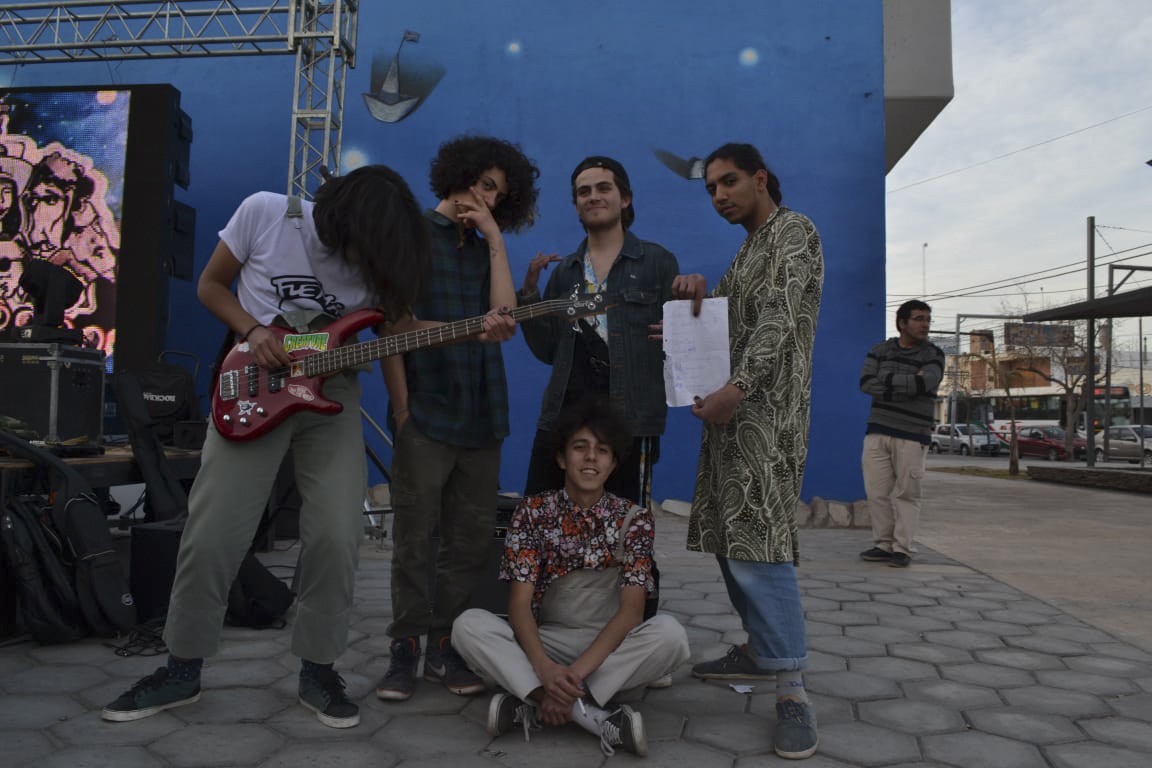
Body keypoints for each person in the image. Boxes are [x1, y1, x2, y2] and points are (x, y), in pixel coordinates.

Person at [101, 164, 468, 728]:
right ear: (346, 220)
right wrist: (253, 331)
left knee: (337, 536)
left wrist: (474, 330)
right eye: (365, 246)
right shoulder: (266, 213)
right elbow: (210, 285)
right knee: (213, 531)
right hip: (254, 386)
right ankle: (181, 668)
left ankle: (318, 669)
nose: (367, 260)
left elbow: (395, 332)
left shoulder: (381, 259)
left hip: (332, 396)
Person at [668, 143, 823, 760]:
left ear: (760, 178)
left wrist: (736, 389)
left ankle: (792, 689)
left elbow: (778, 320)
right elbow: (723, 328)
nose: (719, 196)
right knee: (731, 543)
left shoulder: (794, 232)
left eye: (728, 182)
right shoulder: (746, 251)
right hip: (731, 422)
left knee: (761, 549)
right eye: (710, 188)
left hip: (768, 420)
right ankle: (760, 650)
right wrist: (685, 318)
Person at [377, 135, 540, 702]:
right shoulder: (411, 234)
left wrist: (495, 239)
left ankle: (445, 646)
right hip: (426, 405)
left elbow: (504, 317)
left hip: (482, 408)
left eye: (498, 194)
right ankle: (405, 646)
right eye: (484, 184)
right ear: (459, 174)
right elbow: (392, 329)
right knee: (415, 536)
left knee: (469, 540)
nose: (487, 197)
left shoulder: (484, 244)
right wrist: (402, 409)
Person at [452, 400, 689, 757]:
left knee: (671, 636)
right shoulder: (532, 513)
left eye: (602, 450)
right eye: (580, 447)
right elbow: (519, 606)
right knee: (468, 626)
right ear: (562, 458)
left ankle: (534, 702)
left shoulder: (634, 519)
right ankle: (592, 715)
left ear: (613, 464)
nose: (591, 458)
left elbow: (631, 613)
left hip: (610, 650)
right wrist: (545, 668)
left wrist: (572, 675)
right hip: (548, 643)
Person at [519, 156, 678, 507]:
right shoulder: (565, 272)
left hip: (631, 417)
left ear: (625, 198)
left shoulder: (657, 262)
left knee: (624, 522)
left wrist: (690, 307)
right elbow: (547, 350)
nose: (593, 196)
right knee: (543, 515)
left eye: (603, 188)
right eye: (583, 191)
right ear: (576, 204)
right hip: (566, 414)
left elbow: (682, 341)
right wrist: (529, 296)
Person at [858, 299, 944, 568]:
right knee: (876, 493)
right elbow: (866, 383)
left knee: (908, 494)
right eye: (919, 319)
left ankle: (903, 549)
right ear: (902, 323)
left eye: (927, 319)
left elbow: (926, 382)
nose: (925, 325)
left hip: (913, 434)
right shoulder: (880, 350)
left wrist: (887, 381)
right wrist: (908, 384)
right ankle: (883, 545)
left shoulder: (933, 354)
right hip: (877, 431)